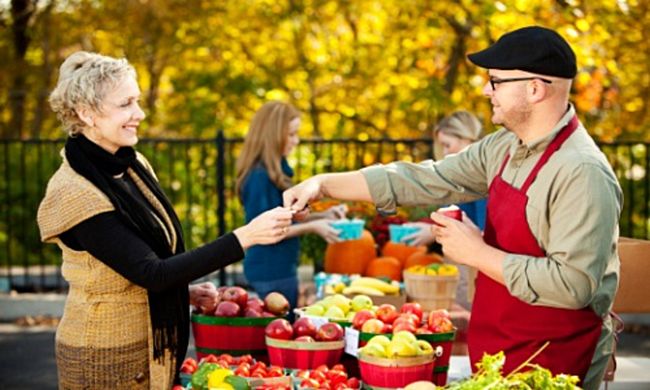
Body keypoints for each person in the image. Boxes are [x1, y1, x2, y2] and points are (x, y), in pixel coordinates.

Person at [283, 26, 621, 390]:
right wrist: (325, 184)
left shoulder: (583, 173)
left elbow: (573, 285)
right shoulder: (504, 147)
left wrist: (477, 253)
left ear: (535, 88)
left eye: (495, 81)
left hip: (558, 362)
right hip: (500, 354)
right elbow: (426, 178)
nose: (485, 90)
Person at [37, 51, 292, 389]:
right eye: (125, 104)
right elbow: (151, 273)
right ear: (87, 114)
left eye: (137, 101)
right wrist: (245, 236)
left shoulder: (131, 165)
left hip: (151, 347)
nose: (139, 114)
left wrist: (182, 292)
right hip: (103, 356)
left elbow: (137, 262)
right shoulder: (75, 192)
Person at [235, 101, 346, 310]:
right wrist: (313, 227)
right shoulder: (259, 177)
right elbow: (268, 230)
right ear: (273, 135)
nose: (296, 140)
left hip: (283, 268)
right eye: (291, 134)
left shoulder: (278, 170)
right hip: (270, 271)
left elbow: (285, 218)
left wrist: (324, 216)